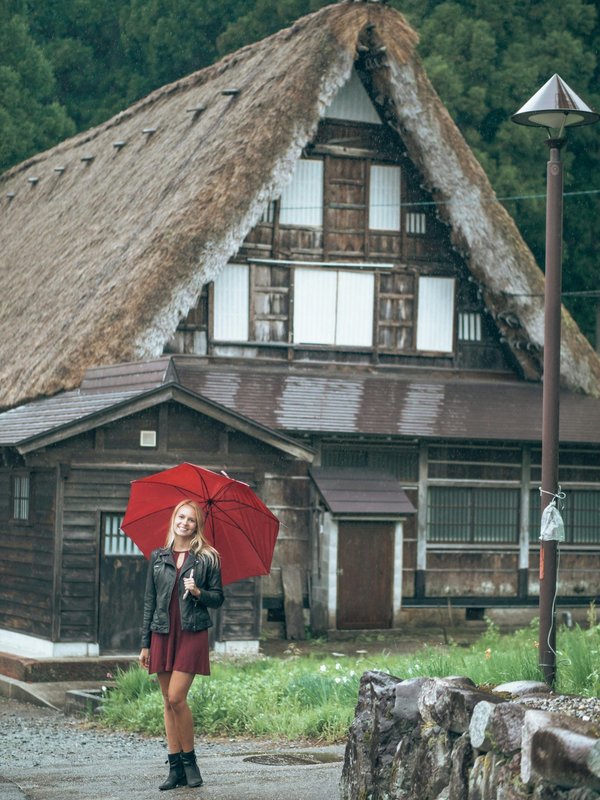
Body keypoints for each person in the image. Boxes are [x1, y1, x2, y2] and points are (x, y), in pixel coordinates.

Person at [139, 499, 224, 791]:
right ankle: (175, 769)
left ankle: (190, 761)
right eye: (181, 517)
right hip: (162, 632)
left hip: (191, 631)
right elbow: (150, 601)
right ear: (174, 519)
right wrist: (145, 644)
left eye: (191, 519)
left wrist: (198, 591)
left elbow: (218, 597)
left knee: (176, 697)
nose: (184, 523)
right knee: (166, 701)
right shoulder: (158, 556)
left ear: (197, 525)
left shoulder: (207, 558)